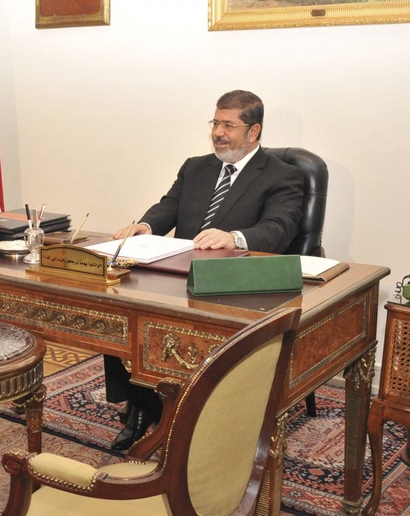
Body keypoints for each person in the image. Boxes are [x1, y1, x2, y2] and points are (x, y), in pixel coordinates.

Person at [107, 90, 305, 450]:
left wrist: (234, 237)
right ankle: (142, 406)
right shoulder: (195, 166)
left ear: (254, 131)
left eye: (229, 125)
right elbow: (168, 208)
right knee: (122, 305)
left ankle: (199, 411)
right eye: (215, 123)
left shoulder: (284, 176)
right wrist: (146, 227)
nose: (218, 132)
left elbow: (280, 229)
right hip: (177, 273)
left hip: (232, 282)